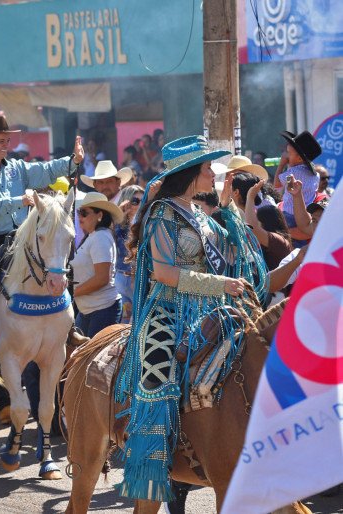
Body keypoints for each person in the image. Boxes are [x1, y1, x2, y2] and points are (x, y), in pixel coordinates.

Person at [114, 135, 267, 502]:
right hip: (166, 311)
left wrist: (230, 207)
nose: (213, 173)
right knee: (158, 376)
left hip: (206, 310)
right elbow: (164, 273)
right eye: (206, 168)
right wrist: (220, 284)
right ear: (189, 173)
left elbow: (233, 250)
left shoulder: (199, 213)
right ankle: (153, 456)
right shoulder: (162, 214)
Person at [0, 115, 83, 356]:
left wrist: (73, 160)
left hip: (21, 235)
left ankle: (70, 327)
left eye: (7, 140)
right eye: (0, 141)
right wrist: (19, 201)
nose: (6, 145)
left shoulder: (17, 168)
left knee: (63, 264)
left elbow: (46, 170)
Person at [70, 192, 123, 337]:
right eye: (79, 212)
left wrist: (71, 293)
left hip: (102, 310)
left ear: (99, 215)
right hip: (91, 310)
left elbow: (101, 278)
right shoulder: (94, 236)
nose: (80, 217)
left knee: (91, 359)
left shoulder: (100, 237)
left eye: (84, 213)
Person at [273, 131, 322, 241]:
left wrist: (281, 164)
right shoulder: (316, 175)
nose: (286, 156)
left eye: (289, 154)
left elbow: (276, 184)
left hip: (290, 215)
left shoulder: (293, 173)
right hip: (306, 215)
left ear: (300, 158)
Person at [244, 179, 292, 270]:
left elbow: (252, 228)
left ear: (264, 222)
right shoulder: (268, 241)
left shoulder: (279, 241)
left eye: (257, 221)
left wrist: (250, 197)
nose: (256, 223)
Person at [114, 185, 143, 323]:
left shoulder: (146, 224)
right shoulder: (118, 225)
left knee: (135, 321)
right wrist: (119, 216)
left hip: (137, 278)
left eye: (143, 201)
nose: (139, 204)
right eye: (135, 201)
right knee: (123, 322)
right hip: (120, 277)